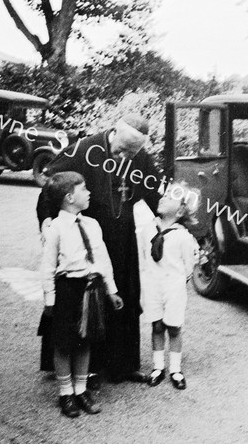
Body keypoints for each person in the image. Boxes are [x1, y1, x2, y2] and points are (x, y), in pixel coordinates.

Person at [37, 113, 161, 384]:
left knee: (122, 297)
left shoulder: (139, 158)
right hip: (86, 241)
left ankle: (123, 365)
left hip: (124, 241)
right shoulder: (86, 149)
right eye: (123, 150)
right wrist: (47, 218)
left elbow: (154, 193)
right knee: (85, 301)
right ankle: (85, 369)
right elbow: (52, 184)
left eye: (133, 152)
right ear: (114, 134)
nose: (127, 157)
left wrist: (165, 222)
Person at [41, 171, 123, 418]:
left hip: (91, 288)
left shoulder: (92, 225)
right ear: (69, 197)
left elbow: (103, 259)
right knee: (64, 343)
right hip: (67, 289)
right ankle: (65, 393)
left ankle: (81, 390)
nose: (89, 193)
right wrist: (50, 299)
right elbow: (47, 266)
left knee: (86, 339)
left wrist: (111, 290)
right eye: (84, 189)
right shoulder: (55, 228)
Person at [139, 182, 199, 390]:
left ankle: (175, 369)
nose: (163, 198)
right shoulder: (148, 229)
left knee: (173, 327)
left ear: (181, 209)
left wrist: (178, 286)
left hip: (173, 288)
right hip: (152, 285)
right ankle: (158, 367)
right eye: (163, 195)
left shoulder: (183, 237)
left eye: (170, 197)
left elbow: (188, 267)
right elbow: (143, 258)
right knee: (156, 325)